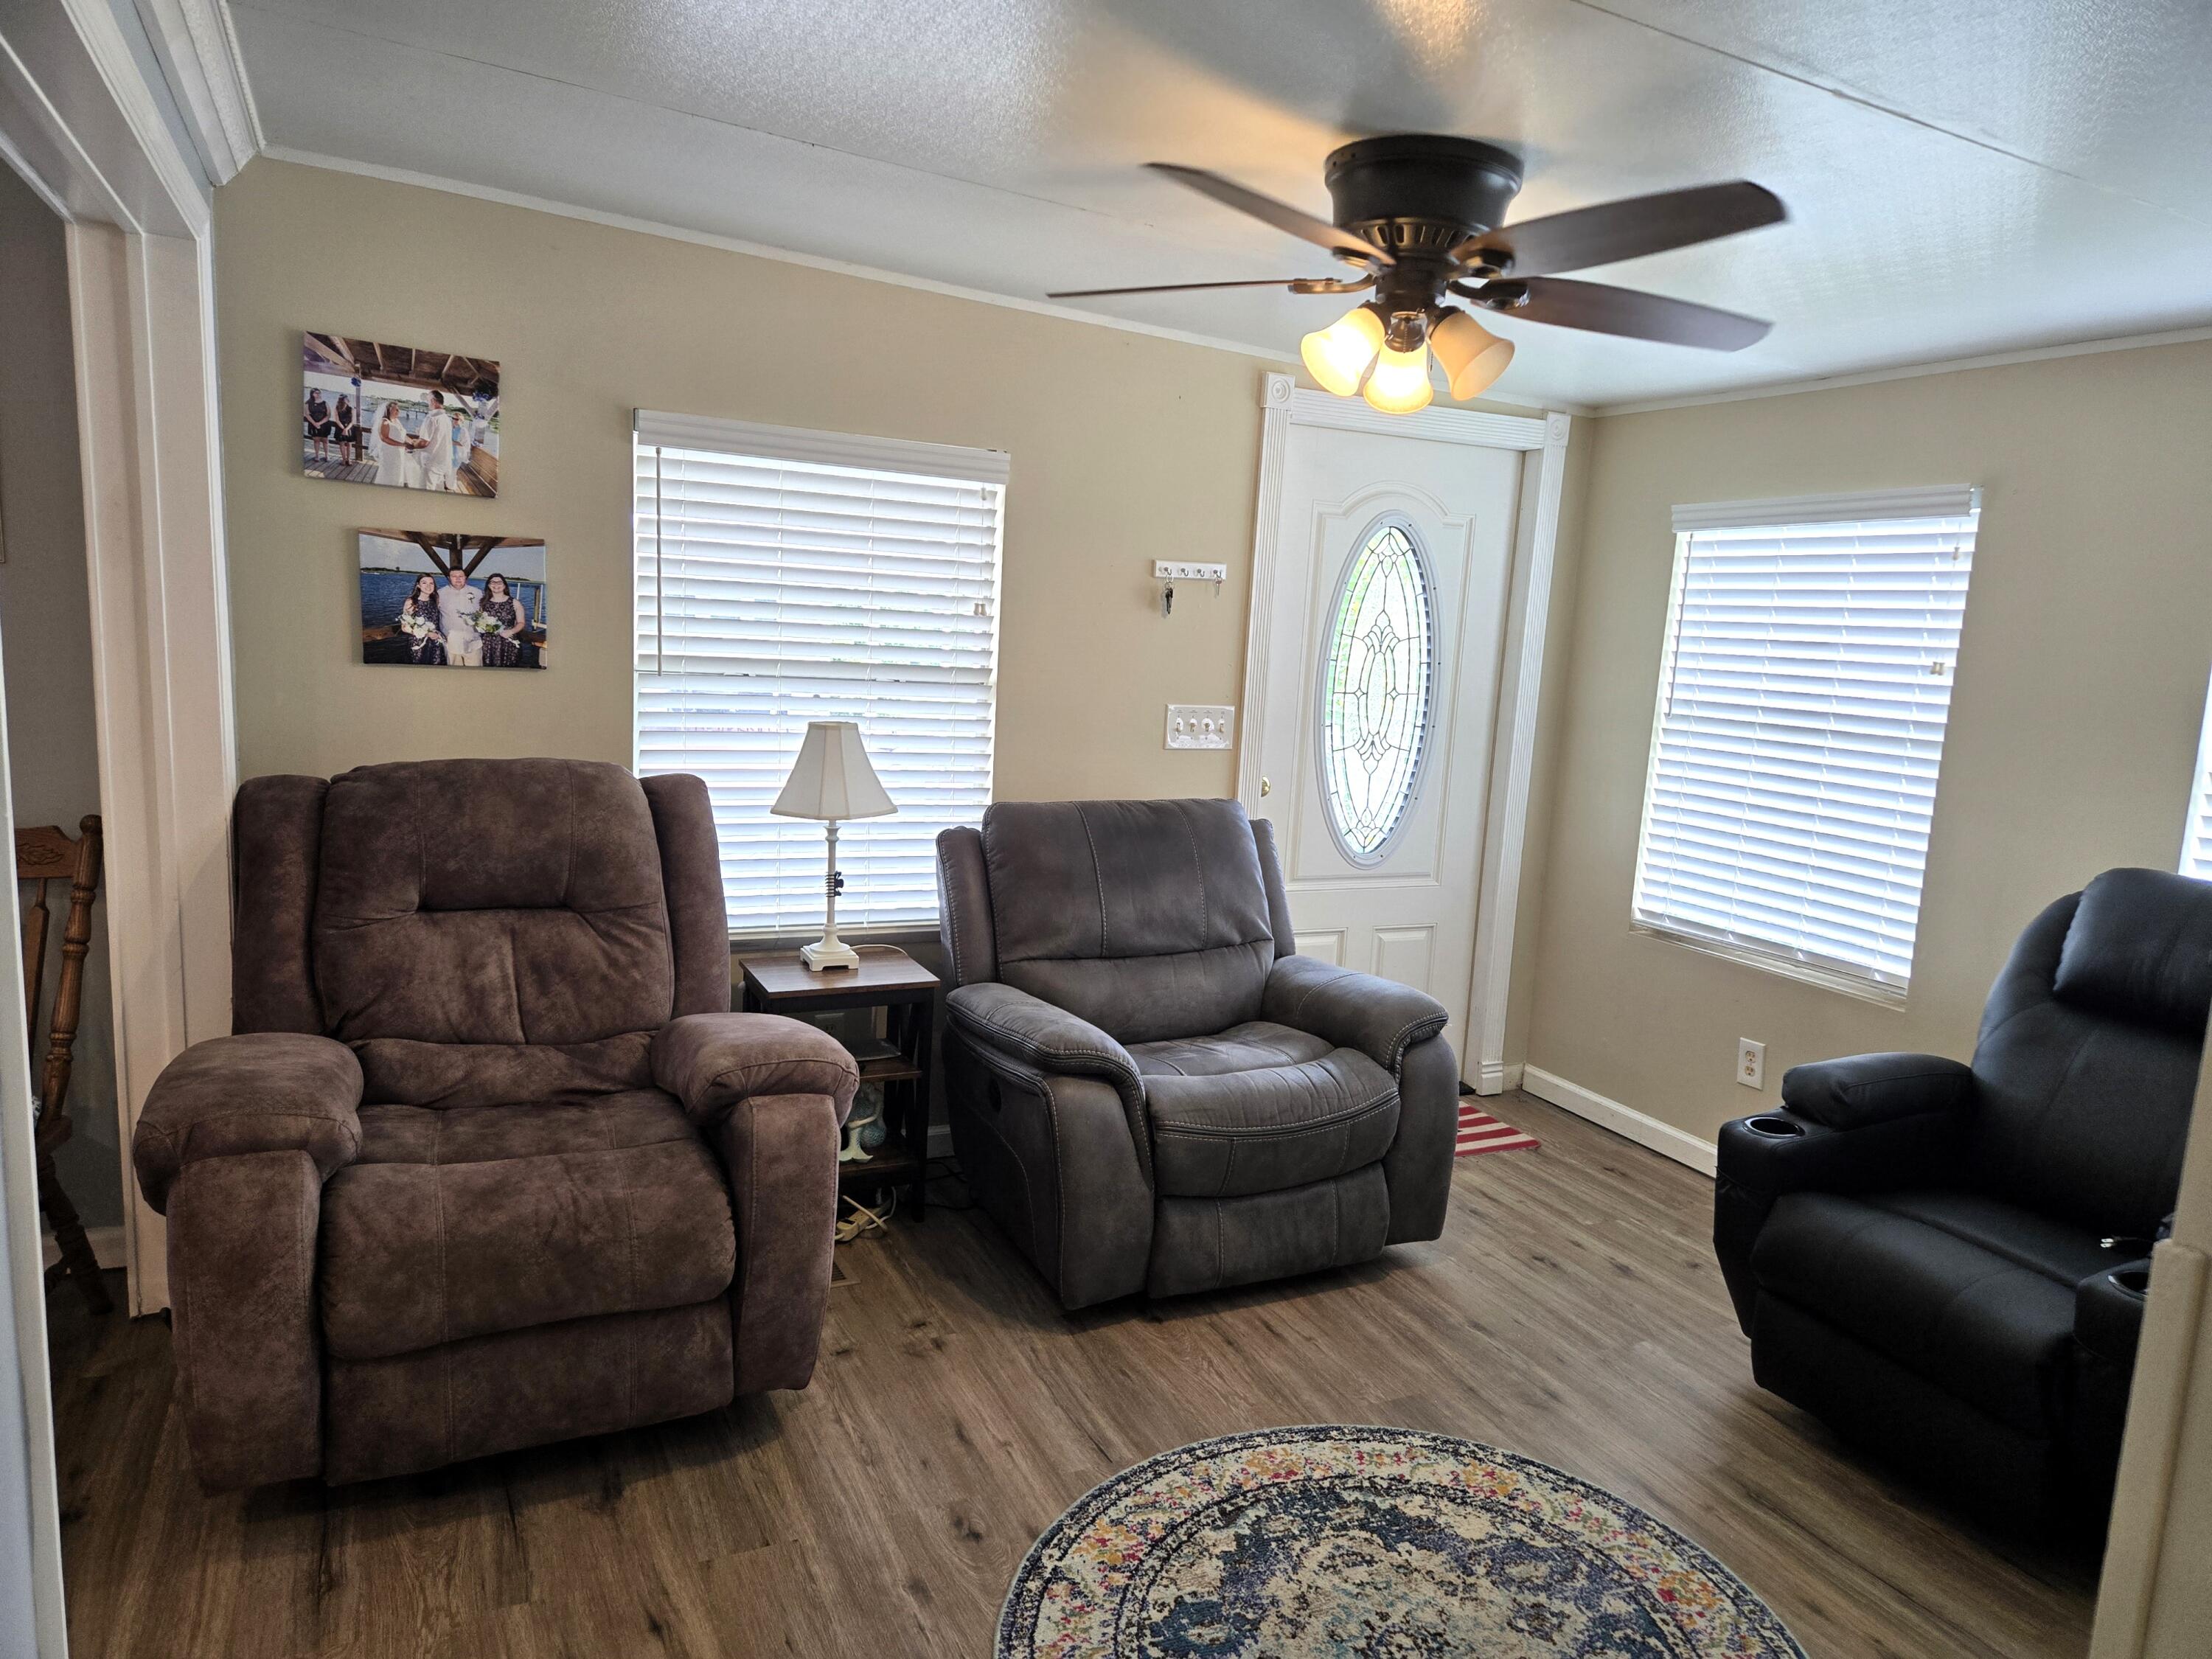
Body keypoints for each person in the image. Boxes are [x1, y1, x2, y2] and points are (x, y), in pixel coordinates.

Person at [476, 572, 526, 667]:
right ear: (489, 585)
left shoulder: (515, 603)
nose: (496, 585)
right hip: (488, 643)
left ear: (504, 586)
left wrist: (511, 631)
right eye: (493, 582)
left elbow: (521, 623)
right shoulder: (483, 603)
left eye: (499, 582)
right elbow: (480, 622)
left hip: (508, 642)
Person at [434, 564, 481, 665]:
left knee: (476, 674)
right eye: (454, 576)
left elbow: (485, 613)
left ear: (465, 578)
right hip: (452, 642)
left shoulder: (478, 593)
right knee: (454, 675)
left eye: (461, 576)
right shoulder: (440, 594)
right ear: (448, 578)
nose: (458, 579)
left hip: (473, 640)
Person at [396, 572, 447, 665]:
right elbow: (404, 627)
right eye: (424, 583)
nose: (428, 586)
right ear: (418, 585)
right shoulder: (411, 602)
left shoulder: (435, 601)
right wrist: (427, 634)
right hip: (419, 644)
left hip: (435, 642)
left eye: (431, 583)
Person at [416, 390, 458, 491]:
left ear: (433, 401)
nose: (428, 403)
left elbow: (424, 443)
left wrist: (412, 444)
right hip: (443, 463)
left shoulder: (432, 418)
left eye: (428, 400)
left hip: (431, 463)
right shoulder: (447, 419)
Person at [372, 401, 417, 488]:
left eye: (398, 409)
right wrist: (403, 445)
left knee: (398, 472)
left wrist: (412, 442)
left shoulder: (396, 421)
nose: (398, 411)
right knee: (389, 472)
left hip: (399, 452)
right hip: (389, 452)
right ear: (389, 410)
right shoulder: (384, 422)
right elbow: (384, 438)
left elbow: (403, 434)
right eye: (395, 409)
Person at [304, 387, 334, 462]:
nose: (318, 394)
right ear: (312, 394)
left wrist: (319, 423)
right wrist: (315, 424)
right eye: (316, 393)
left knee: (325, 440)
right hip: (313, 425)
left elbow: (328, 415)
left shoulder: (325, 403)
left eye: (319, 393)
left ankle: (327, 456)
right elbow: (307, 415)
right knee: (316, 440)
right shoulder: (307, 404)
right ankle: (317, 456)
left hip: (324, 425)